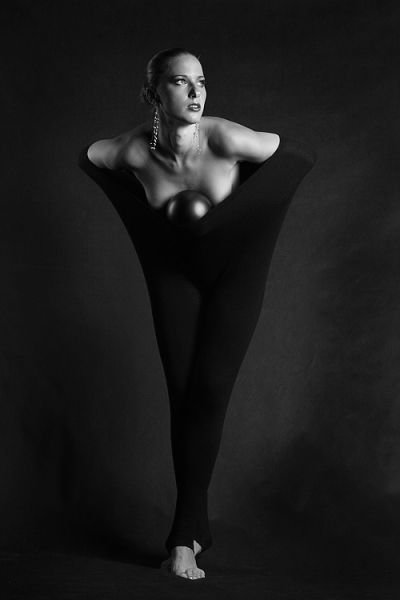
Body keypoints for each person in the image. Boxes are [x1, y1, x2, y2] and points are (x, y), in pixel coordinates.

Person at [79, 47, 317, 580]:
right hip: (176, 276)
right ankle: (193, 531)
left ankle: (181, 538)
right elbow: (87, 158)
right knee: (183, 395)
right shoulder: (132, 151)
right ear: (153, 93)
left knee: (209, 389)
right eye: (180, 82)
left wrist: (220, 225)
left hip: (235, 273)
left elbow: (300, 157)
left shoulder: (225, 138)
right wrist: (151, 225)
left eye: (201, 81)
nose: (195, 92)